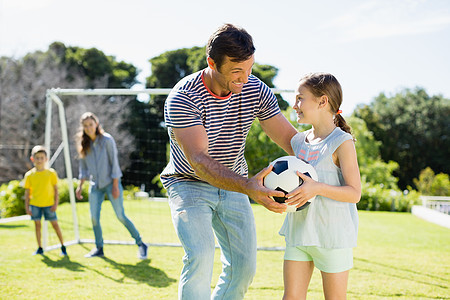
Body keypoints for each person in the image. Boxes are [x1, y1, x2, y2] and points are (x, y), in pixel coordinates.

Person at [160, 23, 298, 299]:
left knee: (243, 268)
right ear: (212, 62)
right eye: (237, 71)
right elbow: (199, 160)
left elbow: (289, 138)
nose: (245, 78)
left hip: (235, 183)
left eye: (249, 69)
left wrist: (329, 152)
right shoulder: (183, 97)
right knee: (199, 256)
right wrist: (249, 186)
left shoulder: (255, 89)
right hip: (189, 183)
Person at [279, 72, 361, 300]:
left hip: (332, 237)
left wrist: (316, 188)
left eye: (300, 99)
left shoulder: (342, 141)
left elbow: (354, 193)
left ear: (322, 101)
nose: (295, 105)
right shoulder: (297, 141)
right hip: (299, 232)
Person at [75, 112, 148, 259]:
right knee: (94, 218)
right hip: (95, 186)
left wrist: (115, 186)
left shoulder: (107, 140)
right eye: (85, 126)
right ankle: (99, 248)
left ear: (96, 124)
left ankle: (141, 244)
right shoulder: (84, 144)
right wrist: (80, 185)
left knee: (120, 216)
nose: (88, 128)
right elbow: (83, 168)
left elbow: (114, 164)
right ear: (83, 128)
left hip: (111, 184)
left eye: (91, 124)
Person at [24, 145, 67, 256]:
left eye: (41, 158)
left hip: (49, 205)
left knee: (55, 225)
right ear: (32, 159)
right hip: (35, 205)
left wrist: (56, 203)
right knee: (37, 226)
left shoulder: (51, 173)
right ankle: (40, 248)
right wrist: (27, 207)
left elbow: (56, 190)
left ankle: (63, 247)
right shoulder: (29, 175)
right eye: (37, 158)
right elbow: (27, 193)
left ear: (46, 159)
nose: (39, 160)